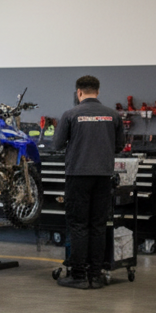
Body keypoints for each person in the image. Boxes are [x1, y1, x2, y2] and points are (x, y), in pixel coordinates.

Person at [53, 75, 125, 289]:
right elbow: (119, 146)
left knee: (78, 225)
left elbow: (56, 145)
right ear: (98, 92)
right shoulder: (113, 115)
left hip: (78, 176)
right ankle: (96, 274)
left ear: (79, 93)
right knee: (98, 225)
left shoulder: (70, 114)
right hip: (103, 176)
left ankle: (78, 275)